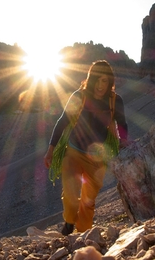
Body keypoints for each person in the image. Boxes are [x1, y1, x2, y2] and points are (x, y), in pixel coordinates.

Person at [44, 60, 128, 235]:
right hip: (73, 152)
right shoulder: (79, 96)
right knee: (70, 192)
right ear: (90, 79)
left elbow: (122, 124)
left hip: (98, 158)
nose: (99, 85)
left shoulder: (115, 101)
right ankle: (69, 222)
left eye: (104, 80)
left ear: (109, 81)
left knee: (89, 200)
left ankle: (83, 234)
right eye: (96, 80)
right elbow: (62, 122)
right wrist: (51, 149)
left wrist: (124, 141)